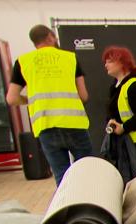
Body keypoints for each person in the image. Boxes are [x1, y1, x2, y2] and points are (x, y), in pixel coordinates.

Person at [7, 24, 91, 185]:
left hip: (46, 125)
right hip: (74, 123)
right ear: (50, 37)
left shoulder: (23, 62)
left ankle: (67, 201)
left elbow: (12, 98)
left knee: (62, 176)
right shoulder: (70, 58)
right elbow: (83, 95)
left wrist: (31, 101)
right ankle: (92, 199)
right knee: (87, 170)